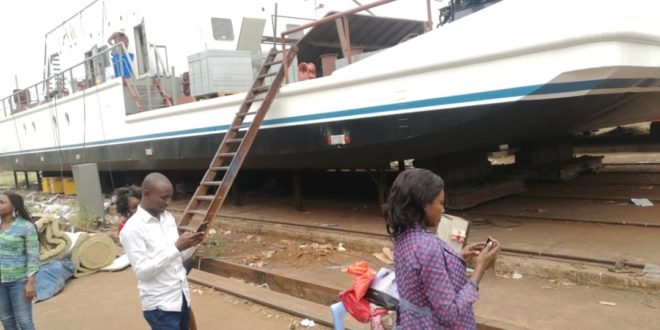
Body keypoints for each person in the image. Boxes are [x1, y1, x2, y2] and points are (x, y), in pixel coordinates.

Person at [385, 168, 500, 329]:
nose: (443, 209)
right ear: (425, 204)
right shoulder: (428, 247)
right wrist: (480, 269)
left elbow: (422, 275)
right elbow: (450, 313)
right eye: (440, 203)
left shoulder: (404, 237)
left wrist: (457, 257)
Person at [120, 173, 204, 330]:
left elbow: (175, 257)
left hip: (181, 298)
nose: (168, 202)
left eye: (170, 197)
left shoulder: (168, 219)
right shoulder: (132, 229)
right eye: (163, 198)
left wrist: (192, 245)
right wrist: (176, 247)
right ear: (146, 193)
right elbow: (142, 272)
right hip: (161, 306)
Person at [0, 192, 39, 330]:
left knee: (24, 321)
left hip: (19, 282)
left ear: (14, 206)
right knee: (7, 321)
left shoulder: (26, 227)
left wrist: (30, 283)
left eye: (2, 202)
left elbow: (33, 257)